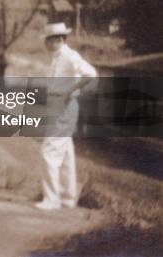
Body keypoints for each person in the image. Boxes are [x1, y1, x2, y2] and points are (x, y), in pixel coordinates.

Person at [36, 22, 97, 210]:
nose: (45, 44)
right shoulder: (57, 58)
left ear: (59, 39)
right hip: (57, 106)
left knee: (49, 152)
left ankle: (52, 200)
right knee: (65, 153)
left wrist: (69, 90)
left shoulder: (70, 56)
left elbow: (91, 74)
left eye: (48, 41)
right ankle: (67, 198)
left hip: (64, 106)